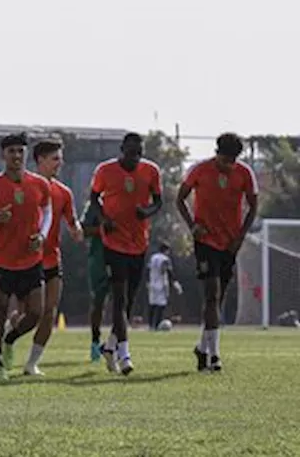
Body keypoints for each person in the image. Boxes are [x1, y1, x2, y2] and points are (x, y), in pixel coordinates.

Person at [0, 133, 51, 380]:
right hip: (2, 261)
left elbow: (48, 212)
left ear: (26, 154)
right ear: (3, 155)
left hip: (31, 261)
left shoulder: (39, 184)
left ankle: (10, 339)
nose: (16, 156)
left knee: (36, 313)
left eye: (20, 151)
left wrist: (42, 236)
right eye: (11, 151)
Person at [177, 132, 259, 372]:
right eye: (225, 160)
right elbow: (179, 199)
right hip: (205, 241)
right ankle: (214, 355)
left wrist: (241, 237)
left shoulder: (245, 174)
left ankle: (202, 348)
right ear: (217, 153)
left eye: (233, 160)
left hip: (230, 243)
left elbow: (253, 207)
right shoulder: (199, 170)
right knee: (212, 295)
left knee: (218, 298)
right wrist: (192, 226)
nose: (229, 165)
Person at [89, 132, 162, 376]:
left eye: (139, 153)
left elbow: (159, 201)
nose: (135, 158)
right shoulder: (105, 170)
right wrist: (103, 219)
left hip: (139, 243)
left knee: (129, 301)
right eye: (131, 153)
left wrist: (147, 211)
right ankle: (125, 354)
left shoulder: (151, 171)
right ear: (122, 149)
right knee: (119, 298)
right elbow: (93, 196)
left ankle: (109, 347)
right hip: (113, 242)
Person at [23, 138, 81, 376]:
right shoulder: (25, 186)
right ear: (41, 161)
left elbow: (71, 220)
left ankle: (31, 363)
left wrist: (76, 229)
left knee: (50, 311)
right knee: (27, 314)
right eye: (55, 158)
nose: (60, 162)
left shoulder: (64, 192)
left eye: (60, 157)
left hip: (51, 259)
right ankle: (8, 339)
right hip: (23, 261)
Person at [80, 199, 111, 363]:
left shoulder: (125, 198)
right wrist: (101, 230)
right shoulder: (94, 205)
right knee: (98, 302)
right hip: (99, 258)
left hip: (122, 255)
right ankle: (95, 342)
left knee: (122, 300)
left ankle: (115, 344)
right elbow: (83, 230)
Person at [146, 242, 177, 330]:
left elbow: (148, 270)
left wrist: (147, 281)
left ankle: (150, 325)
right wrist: (175, 282)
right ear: (166, 250)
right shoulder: (165, 259)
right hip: (161, 284)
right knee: (161, 305)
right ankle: (157, 324)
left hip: (152, 283)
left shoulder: (152, 257)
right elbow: (167, 271)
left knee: (152, 304)